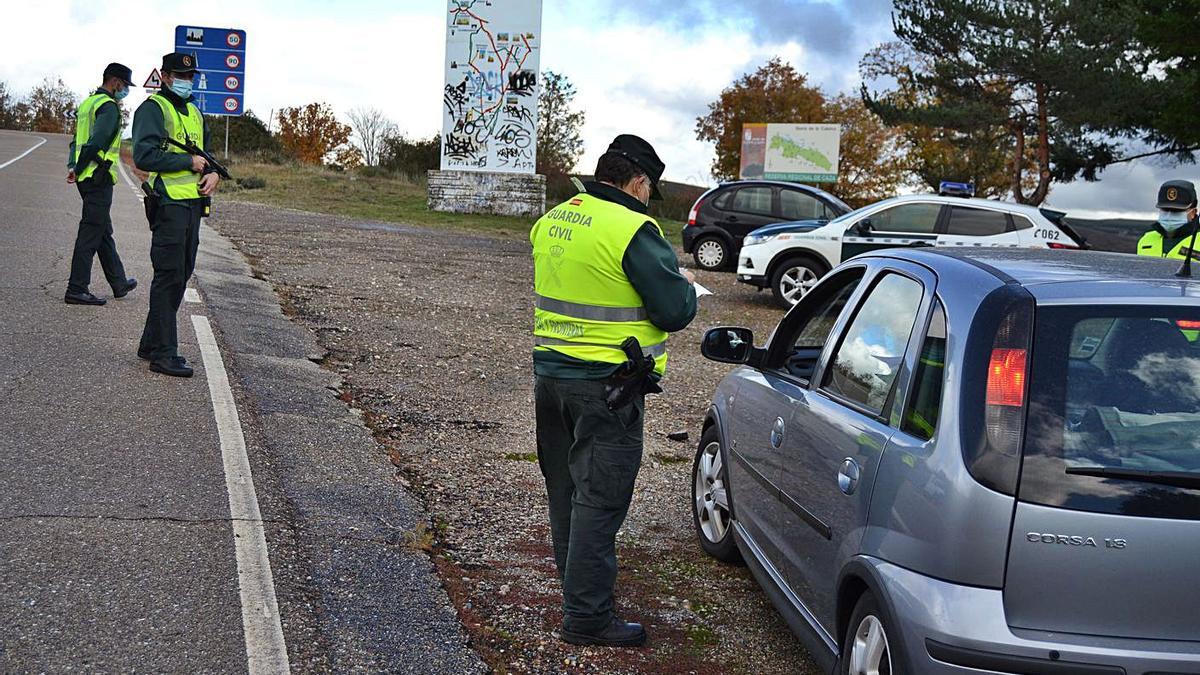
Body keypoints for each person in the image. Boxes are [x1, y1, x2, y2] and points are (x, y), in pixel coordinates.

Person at [530, 134, 698, 647]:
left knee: (566, 491)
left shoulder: (557, 217)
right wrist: (684, 283)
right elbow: (673, 311)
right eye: (650, 189)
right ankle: (587, 618)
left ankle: (578, 591)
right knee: (600, 501)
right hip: (608, 388)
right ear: (639, 181)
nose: (649, 199)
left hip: (551, 377)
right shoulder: (632, 228)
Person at [132, 53, 220, 378]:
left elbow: (207, 158)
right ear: (166, 77)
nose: (187, 80)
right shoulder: (153, 109)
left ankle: (150, 343)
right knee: (168, 275)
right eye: (180, 75)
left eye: (190, 75)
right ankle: (164, 355)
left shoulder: (196, 113)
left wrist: (213, 175)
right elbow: (144, 155)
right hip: (168, 203)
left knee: (181, 274)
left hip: (193, 205)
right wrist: (187, 163)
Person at [64, 63, 138, 306]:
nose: (126, 90)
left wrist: (73, 166)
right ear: (115, 82)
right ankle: (77, 288)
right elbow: (95, 143)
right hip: (98, 177)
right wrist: (81, 167)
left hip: (87, 178)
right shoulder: (108, 107)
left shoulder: (88, 103)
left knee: (102, 231)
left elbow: (77, 140)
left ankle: (118, 282)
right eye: (125, 85)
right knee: (91, 232)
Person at [1137, 179, 1199, 259]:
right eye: (1165, 209)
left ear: (1193, 212)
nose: (1169, 215)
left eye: (1177, 211)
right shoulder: (1146, 240)